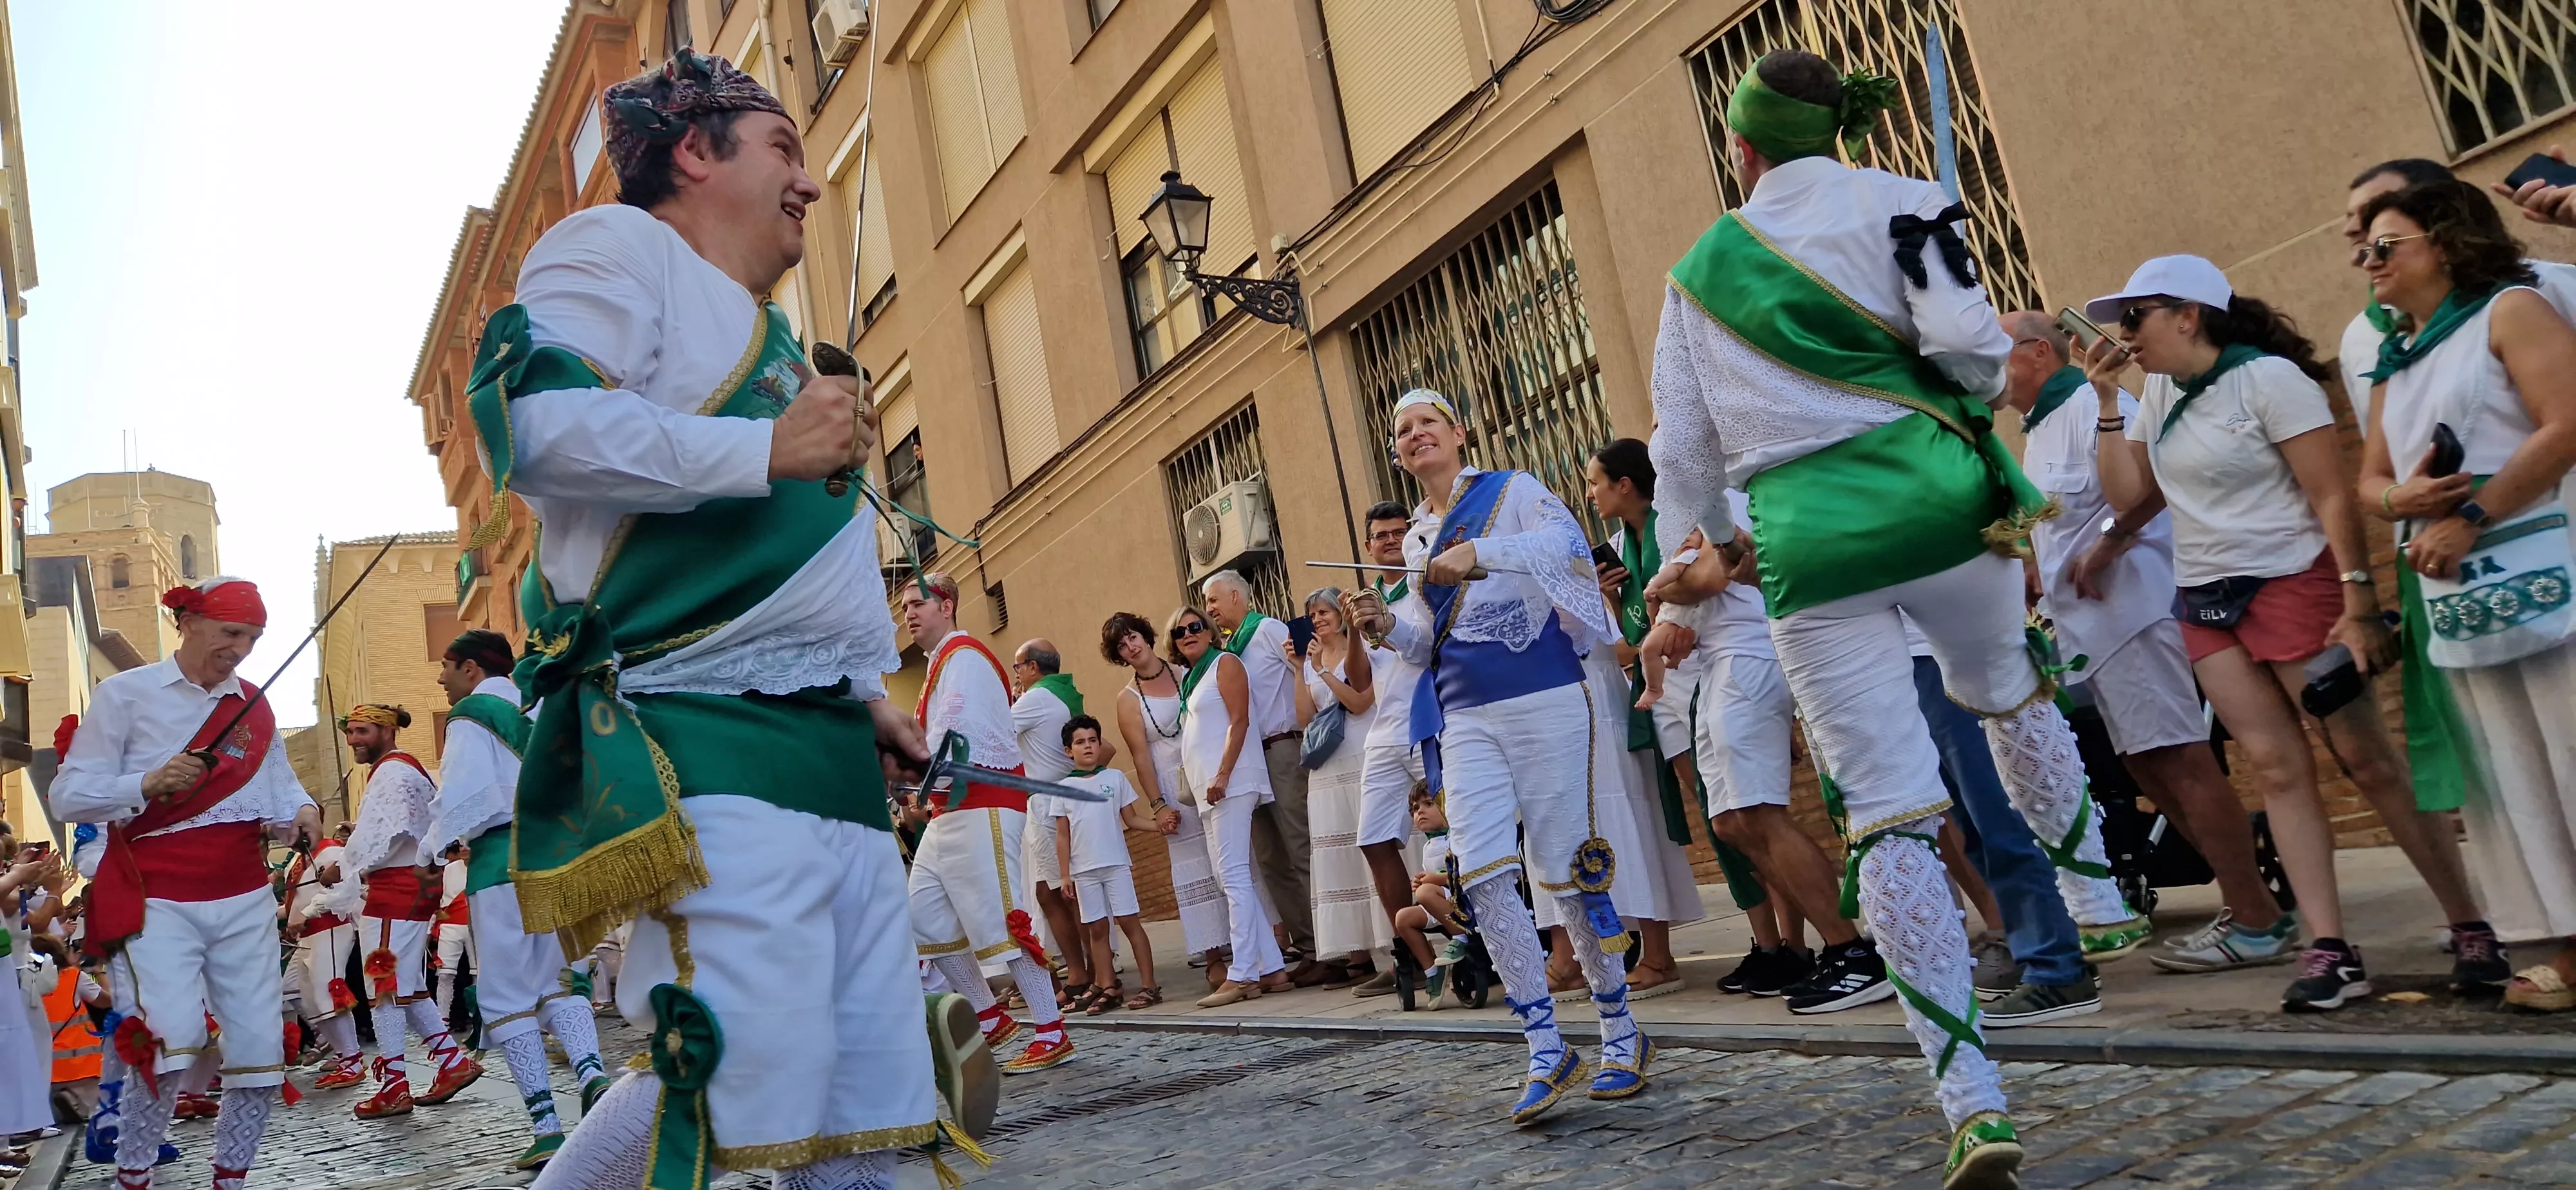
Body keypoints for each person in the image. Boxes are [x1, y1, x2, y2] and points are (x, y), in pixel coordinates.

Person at [1638, 49, 2145, 1184]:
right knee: (2006, 685)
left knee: (1887, 811)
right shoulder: (1911, 203)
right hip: (1938, 495)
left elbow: (1682, 447)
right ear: (1837, 132)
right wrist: (1949, 393)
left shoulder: (1696, 272)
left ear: (1742, 148)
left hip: (1809, 539)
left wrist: (1695, 551)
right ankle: (2096, 894)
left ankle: (1970, 1099)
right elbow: (1973, 353)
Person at [471, 50, 954, 1190]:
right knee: (736, 1057)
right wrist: (769, 445)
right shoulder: (616, 247)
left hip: (822, 752)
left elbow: (785, 584)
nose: (812, 181)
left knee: (871, 1096)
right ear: (697, 151)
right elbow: (538, 426)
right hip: (710, 745)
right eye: (784, 147)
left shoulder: (762, 332)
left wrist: (858, 696)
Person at [2079, 252, 2495, 1011]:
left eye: (2134, 317)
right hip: (2205, 600)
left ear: (2188, 314)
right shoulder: (2157, 393)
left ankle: (2470, 922)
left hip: (2289, 581)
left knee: (2364, 760)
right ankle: (2330, 950)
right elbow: (2128, 494)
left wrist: (2355, 597)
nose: (2123, 334)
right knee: (2274, 770)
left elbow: (2331, 497)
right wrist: (2108, 402)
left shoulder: (2267, 379)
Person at [1343, 387, 1654, 1124]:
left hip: (1544, 695)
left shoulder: (1510, 492)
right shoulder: (1417, 539)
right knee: (1481, 875)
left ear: (1457, 433)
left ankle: (1620, 1031)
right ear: (1397, 453)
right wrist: (1387, 625)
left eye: (1427, 423)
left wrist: (1480, 549)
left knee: (1568, 871)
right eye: (1402, 430)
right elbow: (1428, 642)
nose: (1415, 435)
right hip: (1465, 716)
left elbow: (1568, 551)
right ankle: (1545, 1045)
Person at [1998, 312, 2295, 993]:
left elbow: (2147, 492)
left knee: (2183, 763)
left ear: (2037, 352)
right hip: (2090, 634)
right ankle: (2246, 909)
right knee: (2154, 773)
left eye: (1995, 350)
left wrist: (2105, 541)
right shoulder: (2042, 426)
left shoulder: (2095, 405)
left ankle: (2255, 916)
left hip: (2133, 616)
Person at [2354, 178, 2576, 1008]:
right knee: (2509, 767)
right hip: (2455, 589)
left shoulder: (2511, 312)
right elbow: (2369, 476)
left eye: (2385, 245)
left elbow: (2567, 420)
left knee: (2570, 744)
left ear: (2443, 243)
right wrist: (2395, 503)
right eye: (2363, 250)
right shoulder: (2397, 355)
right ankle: (2562, 939)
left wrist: (2474, 515)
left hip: (2540, 556)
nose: (2366, 261)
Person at [52, 576, 319, 1190]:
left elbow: (281, 794)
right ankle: (135, 1175)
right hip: (156, 898)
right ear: (189, 622)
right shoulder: (125, 695)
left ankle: (233, 1180)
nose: (242, 649)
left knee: (257, 1052)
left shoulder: (253, 703)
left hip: (245, 896)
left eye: (253, 638)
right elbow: (68, 796)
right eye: (231, 633)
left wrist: (300, 815)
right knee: (170, 1043)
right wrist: (143, 785)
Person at [433, 628, 611, 1170]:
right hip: (559, 857)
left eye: (446, 666)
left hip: (501, 865)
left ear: (469, 669)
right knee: (560, 979)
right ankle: (592, 1076)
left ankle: (546, 1128)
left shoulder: (471, 712)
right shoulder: (543, 707)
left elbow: (469, 797)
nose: (440, 678)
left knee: (508, 996)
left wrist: (432, 850)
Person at [903, 572, 1074, 1073]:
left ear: (948, 605)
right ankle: (990, 1017)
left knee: (1004, 919)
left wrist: (922, 773)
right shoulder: (941, 664)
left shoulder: (967, 657)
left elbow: (960, 735)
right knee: (923, 918)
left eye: (918, 603)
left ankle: (1051, 1028)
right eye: (905, 607)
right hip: (949, 812)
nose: (909, 614)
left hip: (983, 804)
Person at [336, 704, 480, 1119]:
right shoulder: (409, 770)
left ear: (385, 730)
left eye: (361, 731)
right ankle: (452, 1062)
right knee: (405, 982)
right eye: (350, 732)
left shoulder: (392, 772)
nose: (353, 740)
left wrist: (341, 866)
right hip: (411, 888)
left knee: (382, 985)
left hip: (394, 889)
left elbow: (375, 836)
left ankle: (394, 1085)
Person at [1202, 570, 1329, 984]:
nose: (1209, 609)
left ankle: (1332, 946)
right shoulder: (1229, 651)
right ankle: (1308, 945)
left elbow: (1306, 670)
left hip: (1283, 747)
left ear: (1236, 596)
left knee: (1300, 846)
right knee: (1272, 860)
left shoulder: (1268, 630)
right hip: (1252, 760)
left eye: (1213, 600)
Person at [1171, 605, 1293, 1007]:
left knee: (1236, 874)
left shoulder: (1225, 663)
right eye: (1179, 632)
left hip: (1232, 781)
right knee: (1228, 876)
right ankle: (1272, 968)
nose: (1188, 634)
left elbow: (1239, 721)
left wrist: (1223, 774)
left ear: (1209, 631)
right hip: (1209, 788)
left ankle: (1242, 973)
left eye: (1195, 627)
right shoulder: (1191, 678)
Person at [1101, 613, 1222, 988]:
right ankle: (1215, 954)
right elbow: (1141, 757)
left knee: (1229, 857)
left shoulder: (1187, 672)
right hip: (1172, 787)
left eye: (1133, 637)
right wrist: (1158, 806)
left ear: (1148, 636)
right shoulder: (1128, 699)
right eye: (1121, 646)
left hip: (1206, 774)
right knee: (1195, 869)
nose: (1131, 647)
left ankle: (1259, 945)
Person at [1287, 587, 1397, 987]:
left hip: (1363, 752)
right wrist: (1300, 667)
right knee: (1340, 855)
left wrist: (1324, 673)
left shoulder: (1361, 647)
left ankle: (1392, 948)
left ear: (1340, 613)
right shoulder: (1313, 660)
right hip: (1328, 768)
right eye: (1311, 614)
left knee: (1373, 849)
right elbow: (1306, 718)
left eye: (1324, 611)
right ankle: (1356, 950)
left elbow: (1361, 703)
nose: (1317, 619)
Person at [1352, 503, 1430, 995]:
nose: (1390, 541)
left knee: (1453, 832)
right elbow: (1359, 685)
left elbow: (1427, 648)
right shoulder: (1364, 597)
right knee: (1374, 839)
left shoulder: (1422, 585)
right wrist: (1354, 630)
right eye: (1381, 535)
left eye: (1399, 533)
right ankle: (1409, 953)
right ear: (1368, 545)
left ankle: (1478, 937)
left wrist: (1386, 625)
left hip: (1426, 724)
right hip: (1382, 733)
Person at [1038, 717, 1166, 1013]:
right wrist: (1066, 875)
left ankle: (1150, 986)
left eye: (1093, 740)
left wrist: (1158, 826)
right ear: (1069, 751)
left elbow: (1131, 819)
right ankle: (1107, 985)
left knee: (1129, 922)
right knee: (1097, 929)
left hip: (1116, 864)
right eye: (1080, 742)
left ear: (1100, 744)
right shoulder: (1064, 788)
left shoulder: (1115, 778)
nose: (1088, 747)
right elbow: (1062, 835)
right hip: (1084, 871)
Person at [1012, 639, 1110, 999]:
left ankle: (1083, 974)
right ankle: (1090, 968)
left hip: (1046, 798)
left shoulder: (1035, 699)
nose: (1018, 675)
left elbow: (996, 732)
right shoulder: (1065, 693)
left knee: (1058, 892)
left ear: (1033, 668)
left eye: (1018, 667)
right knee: (1061, 890)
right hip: (1064, 795)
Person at [280, 813, 363, 1090]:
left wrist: (305, 913)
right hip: (307, 936)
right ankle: (338, 1049)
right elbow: (295, 901)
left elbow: (346, 891)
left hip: (329, 930)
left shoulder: (333, 852)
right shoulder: (298, 859)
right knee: (293, 991)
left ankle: (352, 1060)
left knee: (329, 993)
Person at [1388, 788, 1472, 1006]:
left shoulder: (1456, 837)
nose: (1420, 813)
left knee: (1425, 892)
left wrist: (1432, 881)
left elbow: (1464, 873)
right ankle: (1432, 970)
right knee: (1402, 918)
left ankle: (1460, 936)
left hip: (1463, 900)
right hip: (1440, 900)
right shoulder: (1429, 845)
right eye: (1415, 809)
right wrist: (1422, 881)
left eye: (1428, 804)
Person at [432, 845, 475, 1025]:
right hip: (450, 925)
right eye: (461, 845)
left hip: (477, 924)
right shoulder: (449, 870)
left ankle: (479, 1015)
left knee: (479, 973)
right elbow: (438, 898)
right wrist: (429, 929)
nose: (465, 848)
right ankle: (443, 1019)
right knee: (445, 974)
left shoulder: (485, 865)